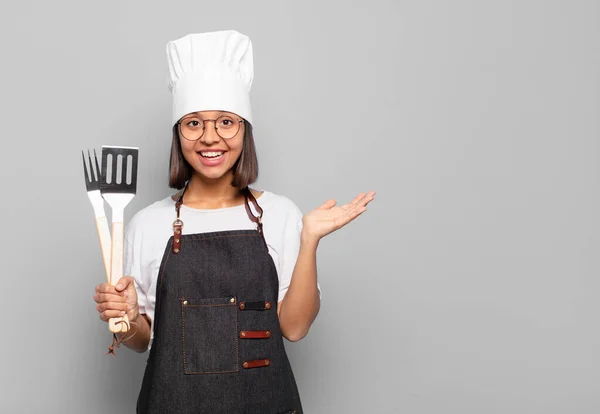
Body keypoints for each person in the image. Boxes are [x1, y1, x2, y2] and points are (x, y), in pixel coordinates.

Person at [93, 30, 375, 414]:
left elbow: (294, 329)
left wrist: (309, 240)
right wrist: (125, 318)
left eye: (226, 122)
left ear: (244, 130)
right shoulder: (147, 224)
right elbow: (141, 340)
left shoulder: (280, 214)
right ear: (179, 133)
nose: (210, 138)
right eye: (194, 123)